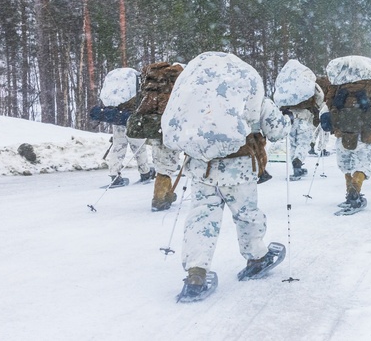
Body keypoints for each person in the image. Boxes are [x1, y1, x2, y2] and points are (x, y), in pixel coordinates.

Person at [161, 51, 289, 302]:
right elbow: (276, 131)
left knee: (201, 217)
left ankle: (196, 274)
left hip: (201, 167)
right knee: (246, 214)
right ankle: (257, 257)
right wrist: (286, 122)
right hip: (239, 168)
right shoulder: (250, 92)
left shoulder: (195, 96)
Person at [320, 55, 371, 213]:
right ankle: (354, 193)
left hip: (342, 135)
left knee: (345, 165)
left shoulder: (337, 94)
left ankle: (350, 192)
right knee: (361, 166)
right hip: (364, 135)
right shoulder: (370, 93)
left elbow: (325, 112)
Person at [127, 61, 184, 210]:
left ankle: (167, 194)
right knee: (168, 164)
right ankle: (159, 199)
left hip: (152, 125)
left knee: (161, 161)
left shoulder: (150, 83)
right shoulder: (174, 85)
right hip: (168, 127)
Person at [94, 67, 153, 187]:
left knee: (118, 147)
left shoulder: (117, 91)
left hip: (118, 119)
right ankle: (145, 172)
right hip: (133, 120)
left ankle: (114, 175)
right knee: (139, 147)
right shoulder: (137, 85)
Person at [273, 59, 324, 180]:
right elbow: (320, 95)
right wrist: (316, 107)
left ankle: (296, 167)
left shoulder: (285, 83)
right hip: (305, 116)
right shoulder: (307, 82)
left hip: (289, 117)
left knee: (293, 143)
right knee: (304, 142)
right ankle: (298, 162)